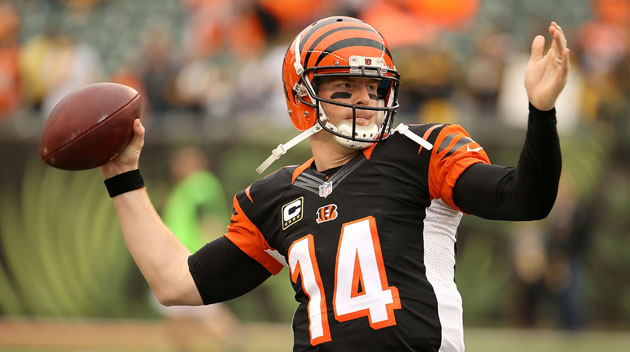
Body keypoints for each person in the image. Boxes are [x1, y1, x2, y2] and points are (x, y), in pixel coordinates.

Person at [99, 16, 569, 352]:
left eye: (373, 88)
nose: (365, 101)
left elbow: (524, 197)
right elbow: (176, 282)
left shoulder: (420, 152)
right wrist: (123, 178)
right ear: (304, 99)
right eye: (344, 90)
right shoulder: (274, 197)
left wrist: (541, 113)